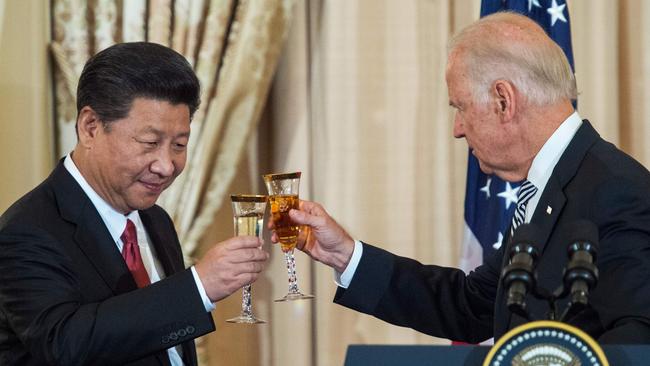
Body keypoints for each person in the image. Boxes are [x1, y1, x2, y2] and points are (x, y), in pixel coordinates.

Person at [272, 12, 650, 344]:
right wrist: (345, 254)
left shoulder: (616, 190)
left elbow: (636, 342)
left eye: (461, 107)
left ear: (504, 100)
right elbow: (473, 304)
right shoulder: (551, 182)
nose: (457, 129)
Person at [0, 42, 269, 365]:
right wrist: (198, 287)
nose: (166, 165)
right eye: (150, 143)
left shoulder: (156, 220)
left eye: (179, 145)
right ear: (90, 127)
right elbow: (64, 343)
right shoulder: (26, 231)